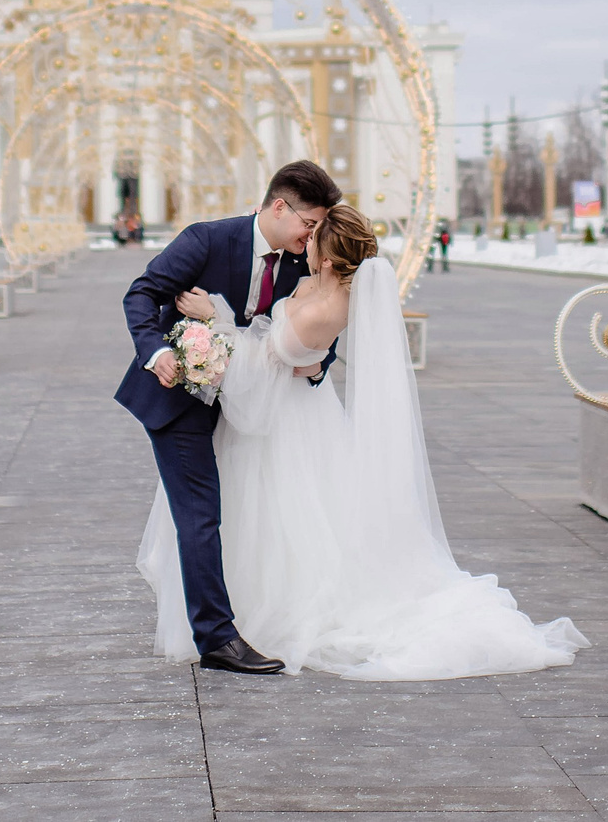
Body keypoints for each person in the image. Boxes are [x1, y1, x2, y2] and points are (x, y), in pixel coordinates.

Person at [137, 204, 585, 679]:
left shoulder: (325, 308)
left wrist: (216, 318)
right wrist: (306, 360)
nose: (305, 243)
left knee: (289, 513)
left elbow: (262, 363)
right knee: (273, 515)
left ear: (329, 259)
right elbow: (291, 351)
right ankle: (235, 612)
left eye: (313, 238)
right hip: (294, 409)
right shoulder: (312, 285)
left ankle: (279, 609)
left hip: (287, 421)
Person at [115, 158, 340, 677]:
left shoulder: (301, 261)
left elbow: (316, 329)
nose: (312, 236)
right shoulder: (208, 240)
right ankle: (217, 638)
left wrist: (316, 364)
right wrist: (155, 352)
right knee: (201, 514)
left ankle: (266, 612)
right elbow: (141, 294)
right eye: (309, 224)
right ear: (279, 207)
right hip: (180, 395)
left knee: (257, 513)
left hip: (255, 408)